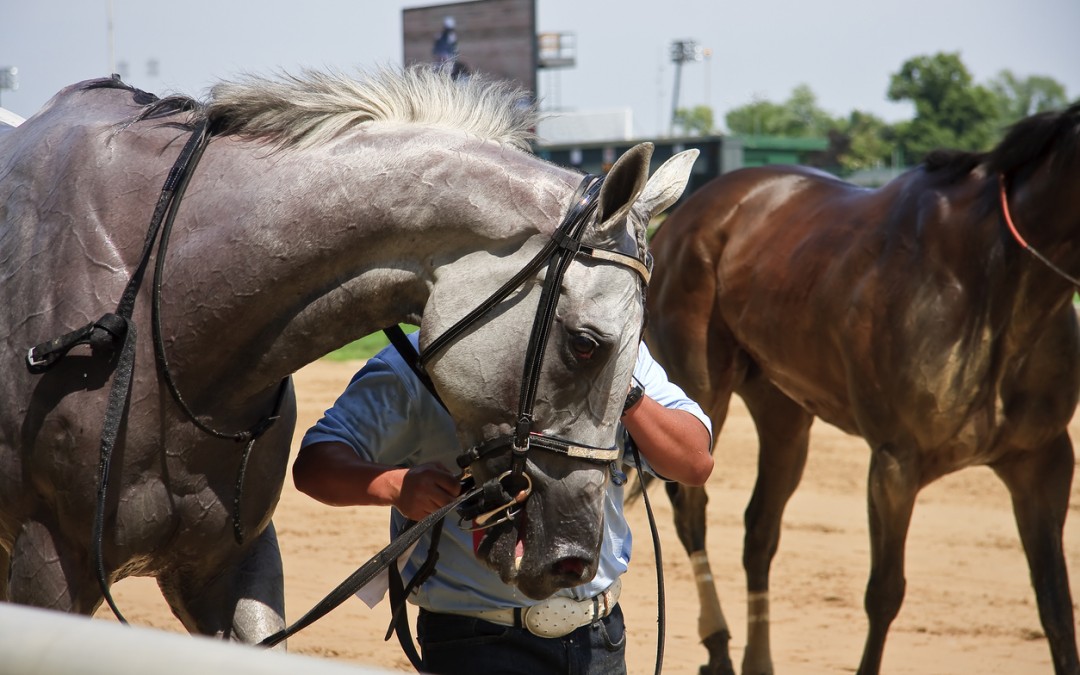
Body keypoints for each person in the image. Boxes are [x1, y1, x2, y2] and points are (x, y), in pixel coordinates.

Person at [293, 333, 713, 674]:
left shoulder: (609, 346)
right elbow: (315, 463)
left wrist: (621, 387)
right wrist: (395, 486)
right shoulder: (416, 364)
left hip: (598, 638)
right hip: (476, 645)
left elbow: (694, 462)